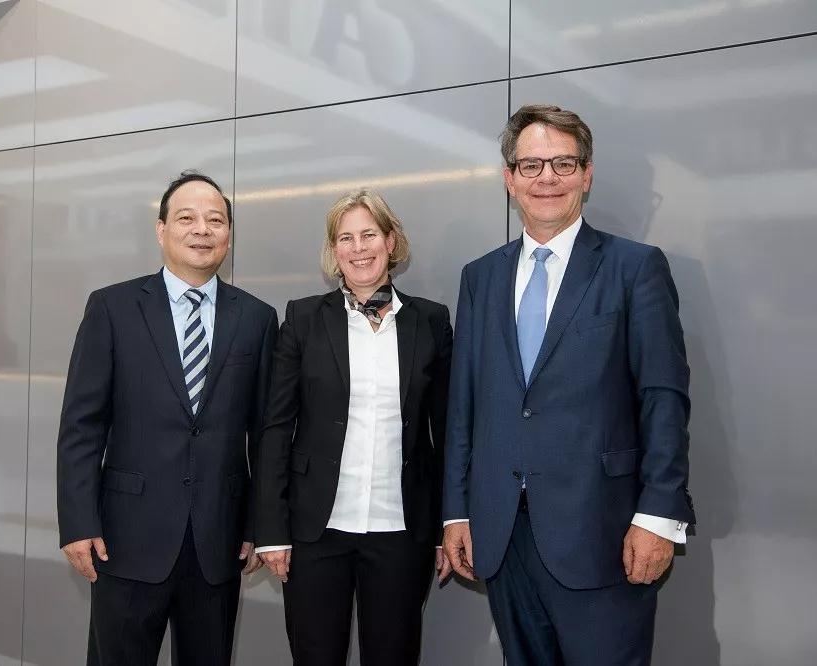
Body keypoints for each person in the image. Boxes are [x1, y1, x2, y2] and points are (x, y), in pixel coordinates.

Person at [442, 105, 696, 666]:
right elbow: (464, 404)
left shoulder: (635, 268)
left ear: (587, 174)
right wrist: (456, 511)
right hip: (502, 533)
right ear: (509, 178)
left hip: (604, 533)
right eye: (531, 165)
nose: (547, 178)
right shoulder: (480, 277)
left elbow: (663, 399)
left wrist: (657, 516)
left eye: (563, 163)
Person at [56, 170, 277, 666]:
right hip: (124, 539)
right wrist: (77, 522)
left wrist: (259, 523)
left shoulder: (258, 318)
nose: (202, 229)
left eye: (215, 220)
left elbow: (265, 434)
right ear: (161, 230)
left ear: (228, 234)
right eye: (186, 218)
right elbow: (81, 426)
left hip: (218, 541)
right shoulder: (112, 307)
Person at [255, 189, 453, 665]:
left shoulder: (430, 321)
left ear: (390, 241)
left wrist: (447, 525)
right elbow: (276, 428)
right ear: (333, 250)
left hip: (401, 530)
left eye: (369, 235)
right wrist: (272, 530)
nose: (358, 248)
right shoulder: (303, 318)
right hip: (315, 531)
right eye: (346, 238)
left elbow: (447, 433)